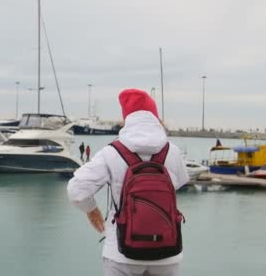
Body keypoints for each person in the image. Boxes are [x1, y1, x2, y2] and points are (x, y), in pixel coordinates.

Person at [67, 89, 189, 276]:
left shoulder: (112, 151)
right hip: (168, 252)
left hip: (121, 252)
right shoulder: (172, 151)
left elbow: (76, 189)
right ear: (154, 117)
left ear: (127, 118)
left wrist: (92, 210)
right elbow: (180, 182)